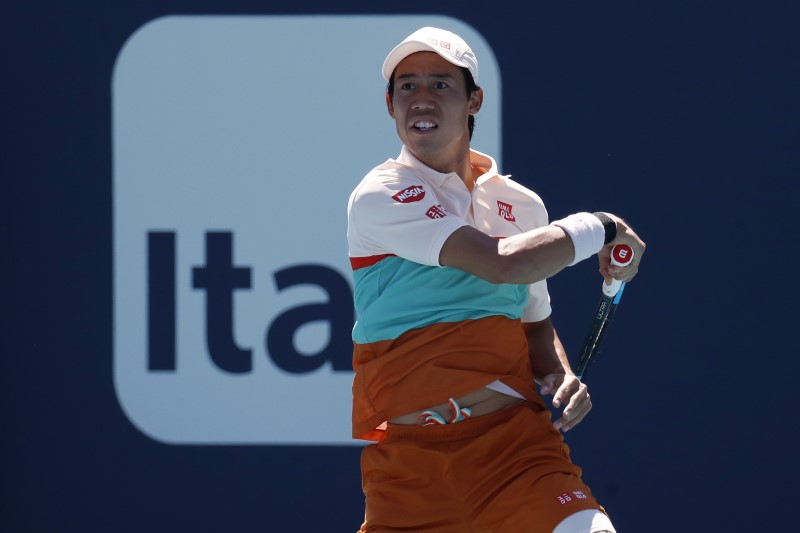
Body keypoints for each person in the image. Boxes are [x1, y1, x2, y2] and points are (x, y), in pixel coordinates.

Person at [346, 26, 645, 533]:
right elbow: (503, 263)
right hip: (408, 473)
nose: (421, 99)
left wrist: (559, 373)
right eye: (407, 87)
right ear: (390, 104)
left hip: (515, 452)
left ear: (474, 100)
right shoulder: (380, 193)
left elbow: (534, 324)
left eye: (440, 85)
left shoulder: (522, 205)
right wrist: (604, 225)